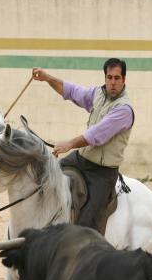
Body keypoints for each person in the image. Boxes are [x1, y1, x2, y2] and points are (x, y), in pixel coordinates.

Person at [32, 58, 134, 232]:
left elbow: (97, 135)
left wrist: (69, 144)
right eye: (109, 77)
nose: (112, 82)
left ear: (124, 80)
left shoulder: (124, 109)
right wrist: (47, 78)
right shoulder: (98, 94)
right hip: (80, 160)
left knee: (87, 225)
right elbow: (71, 91)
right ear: (105, 78)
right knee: (46, 179)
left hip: (102, 173)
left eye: (117, 78)